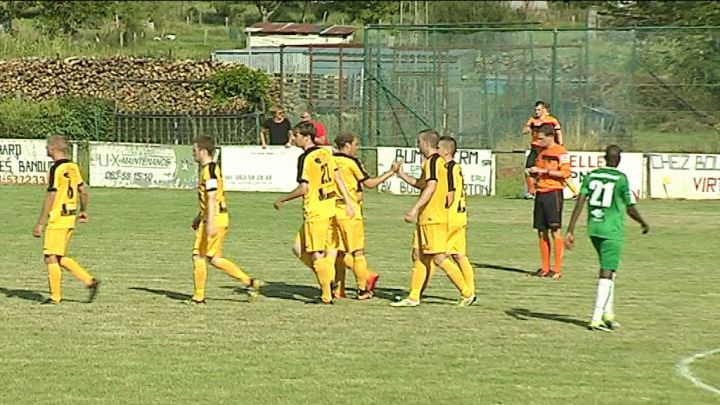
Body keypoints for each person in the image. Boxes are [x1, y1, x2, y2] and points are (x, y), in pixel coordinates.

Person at [565, 145, 649, 331]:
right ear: (618, 159)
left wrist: (570, 229)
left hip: (594, 227)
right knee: (606, 271)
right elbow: (629, 207)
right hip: (612, 230)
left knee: (610, 270)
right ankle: (596, 317)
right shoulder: (620, 179)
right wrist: (643, 222)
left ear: (604, 157)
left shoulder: (592, 175)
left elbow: (580, 201)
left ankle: (608, 314)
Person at [392, 129, 476, 307]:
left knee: (439, 258)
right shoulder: (434, 163)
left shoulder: (433, 161)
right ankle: (414, 297)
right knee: (418, 255)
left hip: (434, 217)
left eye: (419, 142)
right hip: (428, 217)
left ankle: (467, 292)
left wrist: (415, 209)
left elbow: (430, 187)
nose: (417, 145)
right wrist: (400, 174)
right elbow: (421, 184)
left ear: (425, 143)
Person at [274, 122, 355, 304]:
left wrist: (283, 199)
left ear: (306, 137)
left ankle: (326, 293)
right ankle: (328, 279)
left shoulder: (305, 158)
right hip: (330, 207)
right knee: (298, 248)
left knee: (316, 252)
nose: (293, 139)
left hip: (316, 211)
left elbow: (304, 188)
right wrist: (348, 202)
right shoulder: (325, 152)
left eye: (296, 135)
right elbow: (337, 177)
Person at [189, 135, 262, 305]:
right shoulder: (210, 169)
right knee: (214, 258)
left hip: (215, 219)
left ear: (203, 151)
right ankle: (250, 282)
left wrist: (210, 223)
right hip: (215, 217)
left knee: (198, 256)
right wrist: (199, 217)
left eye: (195, 151)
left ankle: (198, 297)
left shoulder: (209, 171)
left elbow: (213, 198)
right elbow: (208, 200)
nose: (193, 154)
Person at [32, 135, 100, 304]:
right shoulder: (73, 167)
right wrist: (83, 210)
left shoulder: (57, 169)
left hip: (57, 218)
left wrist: (41, 222)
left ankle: (55, 297)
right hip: (69, 217)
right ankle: (89, 281)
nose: (46, 150)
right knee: (58, 256)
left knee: (50, 256)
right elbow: (83, 190)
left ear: (53, 148)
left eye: (47, 147)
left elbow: (51, 195)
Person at [331, 132, 400, 300]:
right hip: (350, 210)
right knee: (357, 252)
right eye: (355, 144)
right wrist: (391, 172)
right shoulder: (351, 162)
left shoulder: (330, 160)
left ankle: (338, 290)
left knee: (338, 252)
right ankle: (363, 289)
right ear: (347, 145)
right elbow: (369, 184)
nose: (356, 147)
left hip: (333, 209)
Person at [527, 124, 571, 279]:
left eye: (541, 138)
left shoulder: (561, 152)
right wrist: (533, 178)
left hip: (553, 193)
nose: (539, 141)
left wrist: (544, 172)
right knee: (541, 231)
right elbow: (537, 169)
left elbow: (565, 173)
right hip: (541, 192)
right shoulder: (540, 152)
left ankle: (557, 270)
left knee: (555, 230)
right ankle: (545, 268)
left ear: (551, 136)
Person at [438, 136, 475, 295]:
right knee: (459, 255)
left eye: (438, 148)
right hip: (461, 216)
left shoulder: (449, 168)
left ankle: (466, 292)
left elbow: (450, 194)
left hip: (451, 217)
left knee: (438, 256)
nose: (436, 151)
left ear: (446, 151)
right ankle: (471, 290)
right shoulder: (457, 167)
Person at [522, 100, 564, 199]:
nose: (537, 112)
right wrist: (529, 128)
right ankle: (531, 192)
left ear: (544, 110)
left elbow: (558, 133)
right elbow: (524, 130)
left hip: (547, 149)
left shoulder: (552, 120)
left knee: (553, 170)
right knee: (528, 170)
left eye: (539, 110)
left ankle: (573, 192)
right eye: (535, 110)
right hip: (535, 148)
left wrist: (560, 145)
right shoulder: (532, 120)